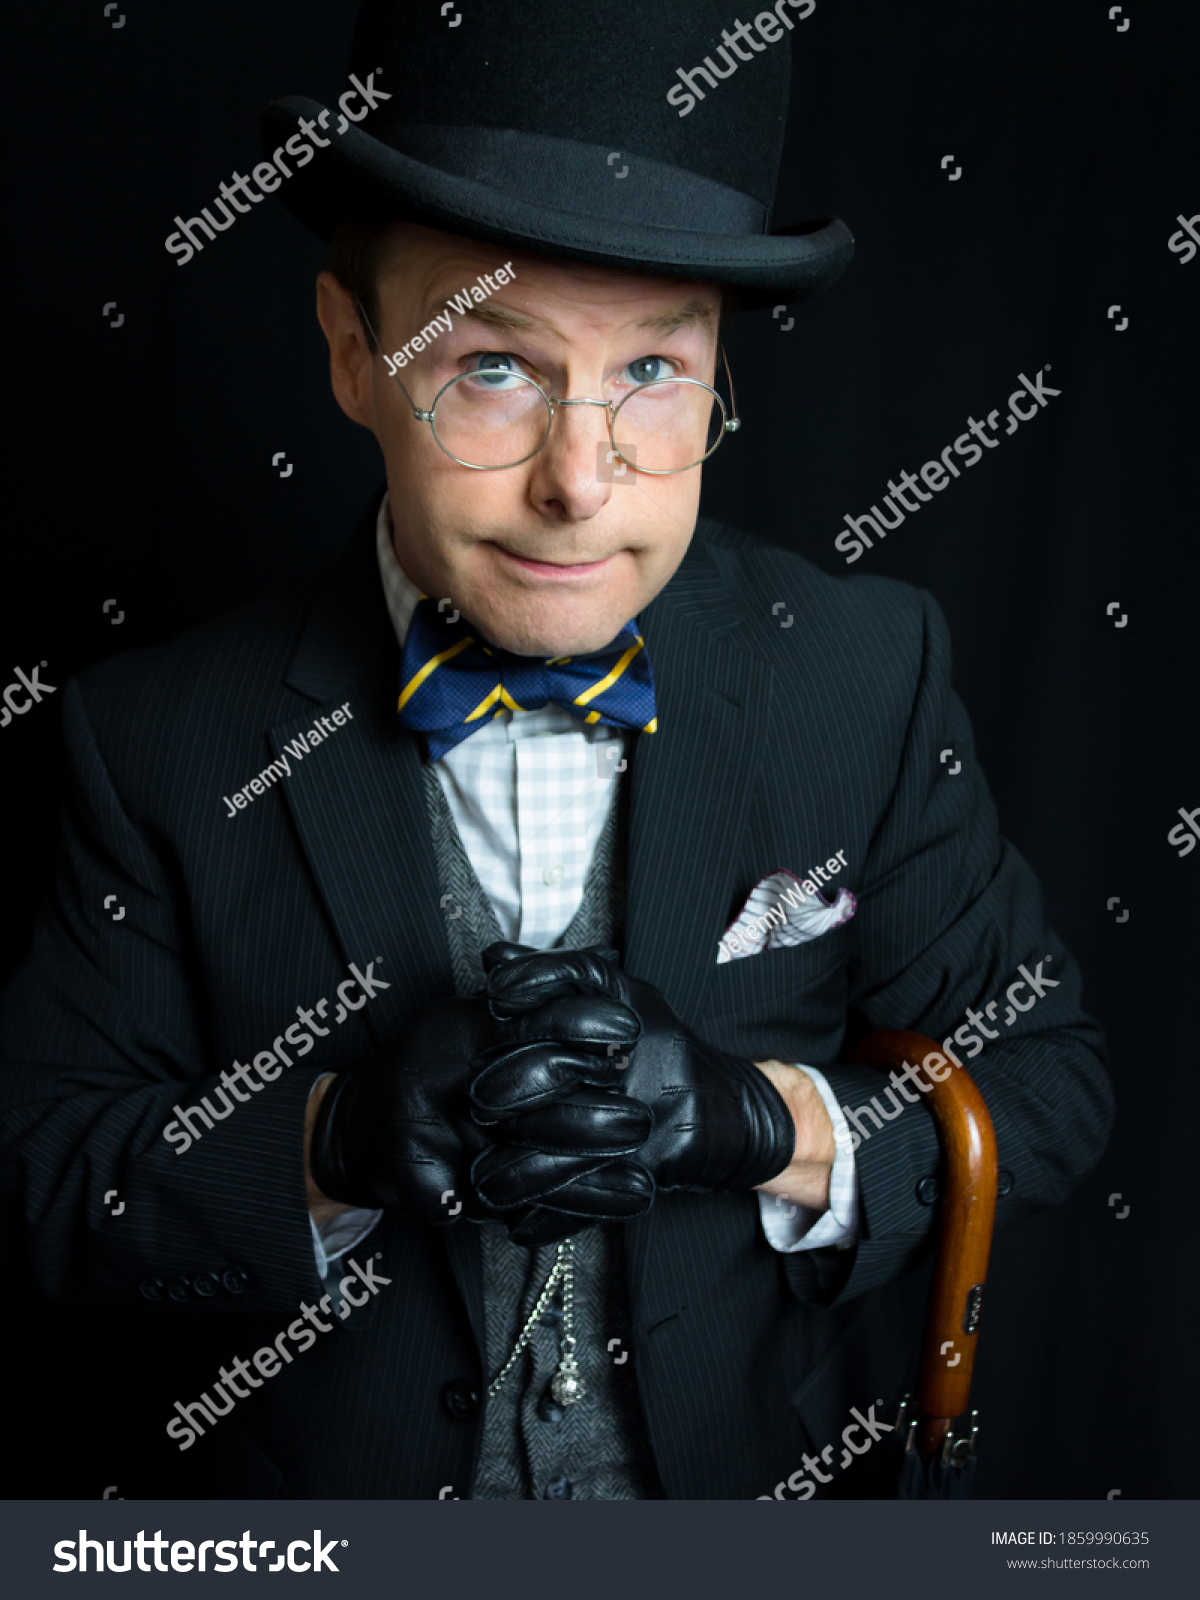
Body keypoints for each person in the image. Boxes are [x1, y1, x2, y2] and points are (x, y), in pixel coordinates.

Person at [0, 0, 1111, 1500]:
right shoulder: (154, 736)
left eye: (654, 374)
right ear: (352, 355)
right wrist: (335, 1140)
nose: (580, 486)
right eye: (493, 371)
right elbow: (53, 1185)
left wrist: (755, 1116)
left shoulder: (869, 668)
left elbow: (1043, 1089)